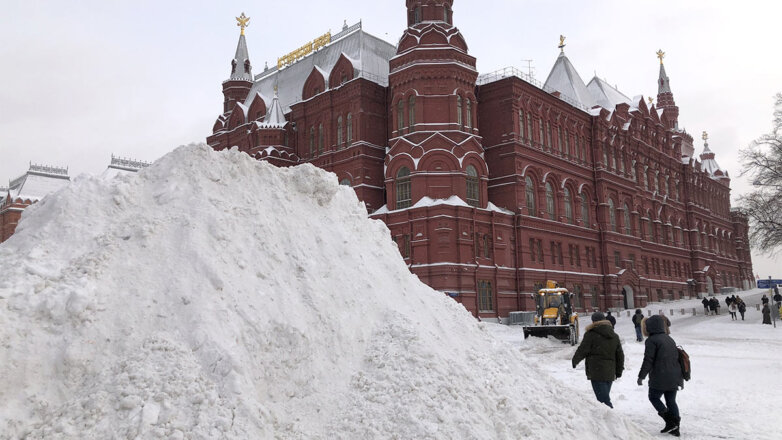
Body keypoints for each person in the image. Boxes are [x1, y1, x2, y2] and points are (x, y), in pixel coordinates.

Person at [637, 315, 683, 437]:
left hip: (660, 376)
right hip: (674, 375)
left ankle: (669, 421)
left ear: (649, 327)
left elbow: (648, 360)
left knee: (653, 397)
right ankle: (676, 427)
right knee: (671, 401)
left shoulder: (651, 341)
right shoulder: (669, 339)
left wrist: (641, 376)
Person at [572, 312, 625, 409]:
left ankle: (613, 420)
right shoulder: (614, 335)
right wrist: (619, 371)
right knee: (604, 399)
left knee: (603, 402)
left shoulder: (591, 334)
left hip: (596, 371)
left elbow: (583, 349)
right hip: (610, 372)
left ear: (593, 321)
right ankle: (609, 420)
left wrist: (575, 360)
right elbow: (620, 355)